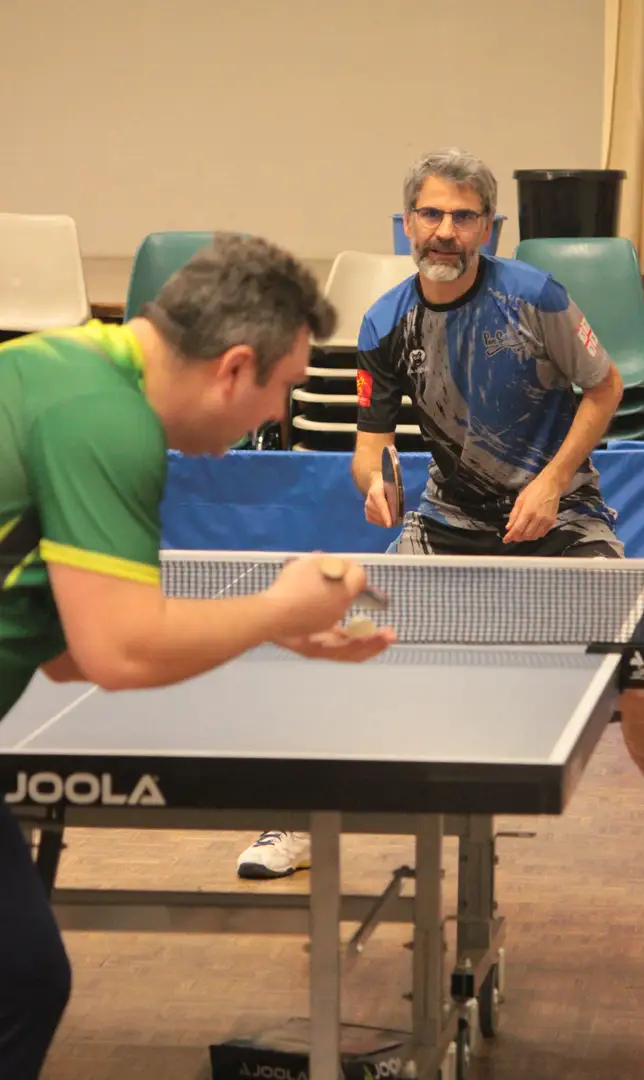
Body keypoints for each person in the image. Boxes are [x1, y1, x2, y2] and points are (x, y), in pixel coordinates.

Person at [237, 149, 644, 915]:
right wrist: (374, 484)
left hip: (562, 517)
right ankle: (297, 820)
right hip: (446, 522)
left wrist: (552, 481)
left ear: (489, 227)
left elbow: (605, 387)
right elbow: (370, 447)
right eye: (432, 214)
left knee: (638, 670)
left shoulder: (535, 298)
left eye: (464, 217)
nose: (446, 231)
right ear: (407, 224)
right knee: (348, 640)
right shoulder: (385, 321)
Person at [0, 232, 395, 1080]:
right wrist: (278, 605)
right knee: (19, 981)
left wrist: (271, 627)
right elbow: (118, 652)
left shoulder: (60, 367)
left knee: (23, 978)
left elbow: (70, 654)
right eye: (284, 387)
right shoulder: (106, 422)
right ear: (234, 367)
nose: (280, 414)